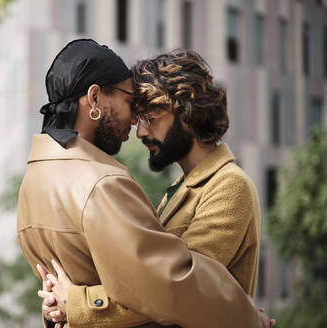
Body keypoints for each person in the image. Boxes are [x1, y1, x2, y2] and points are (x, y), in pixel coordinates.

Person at [17, 39, 267, 328]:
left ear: (186, 113)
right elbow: (149, 284)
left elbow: (179, 287)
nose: (140, 131)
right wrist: (58, 305)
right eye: (138, 118)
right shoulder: (179, 191)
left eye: (149, 117)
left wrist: (74, 302)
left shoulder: (229, 186)